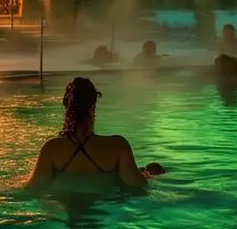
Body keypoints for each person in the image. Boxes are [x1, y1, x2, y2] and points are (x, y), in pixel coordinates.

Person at [25, 77, 162, 188]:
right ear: (92, 108)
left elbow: (32, 188)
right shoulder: (118, 146)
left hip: (67, 213)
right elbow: (138, 186)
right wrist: (147, 174)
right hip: (106, 214)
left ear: (67, 108)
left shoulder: (51, 149)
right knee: (154, 168)